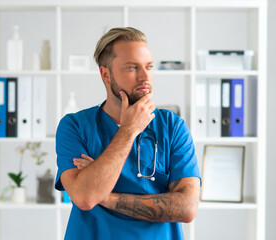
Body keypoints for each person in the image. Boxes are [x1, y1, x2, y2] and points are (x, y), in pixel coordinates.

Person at [55, 27, 201, 240]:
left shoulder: (172, 126)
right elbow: (85, 198)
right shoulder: (75, 126)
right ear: (106, 74)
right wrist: (129, 130)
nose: (145, 77)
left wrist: (106, 198)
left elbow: (186, 208)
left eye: (149, 66)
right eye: (132, 68)